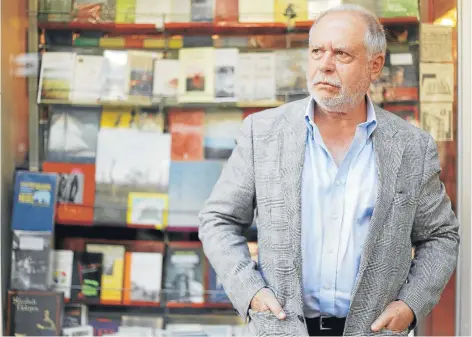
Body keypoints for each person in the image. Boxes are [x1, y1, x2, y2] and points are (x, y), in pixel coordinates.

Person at [198, 4, 460, 337]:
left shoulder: (411, 147)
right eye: (317, 51)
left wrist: (410, 304)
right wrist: (251, 292)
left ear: (374, 65)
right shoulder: (262, 133)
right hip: (280, 329)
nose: (325, 65)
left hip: (373, 331)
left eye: (342, 54)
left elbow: (441, 236)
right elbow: (218, 220)